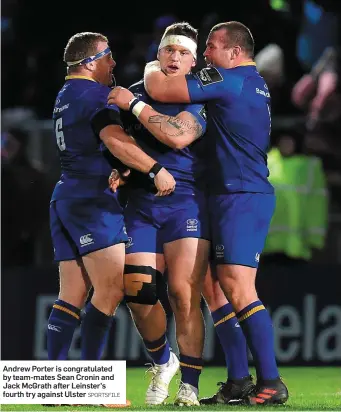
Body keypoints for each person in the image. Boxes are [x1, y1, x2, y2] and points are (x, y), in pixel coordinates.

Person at [109, 21, 289, 405]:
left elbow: (160, 95)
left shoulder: (230, 80)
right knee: (214, 287)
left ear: (234, 52)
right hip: (224, 194)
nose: (207, 54)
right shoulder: (245, 81)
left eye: (210, 47)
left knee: (238, 287)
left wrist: (141, 87)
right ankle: (239, 379)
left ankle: (271, 382)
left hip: (239, 195)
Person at [47, 31, 176, 365]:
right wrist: (155, 169)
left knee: (71, 296)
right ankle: (93, 386)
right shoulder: (95, 95)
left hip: (66, 197)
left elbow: (90, 146)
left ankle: (54, 385)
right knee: (110, 290)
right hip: (92, 201)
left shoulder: (65, 94)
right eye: (108, 56)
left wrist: (117, 169)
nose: (113, 63)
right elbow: (116, 140)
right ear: (90, 63)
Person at [109, 23, 210, 406]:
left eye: (183, 53)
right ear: (158, 52)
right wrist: (122, 167)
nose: (174, 58)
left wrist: (135, 106)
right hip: (142, 206)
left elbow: (178, 135)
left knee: (183, 293)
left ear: (193, 61)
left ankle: (190, 384)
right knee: (137, 292)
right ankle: (161, 360)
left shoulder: (199, 96)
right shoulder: (134, 92)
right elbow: (123, 143)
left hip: (186, 203)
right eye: (169, 50)